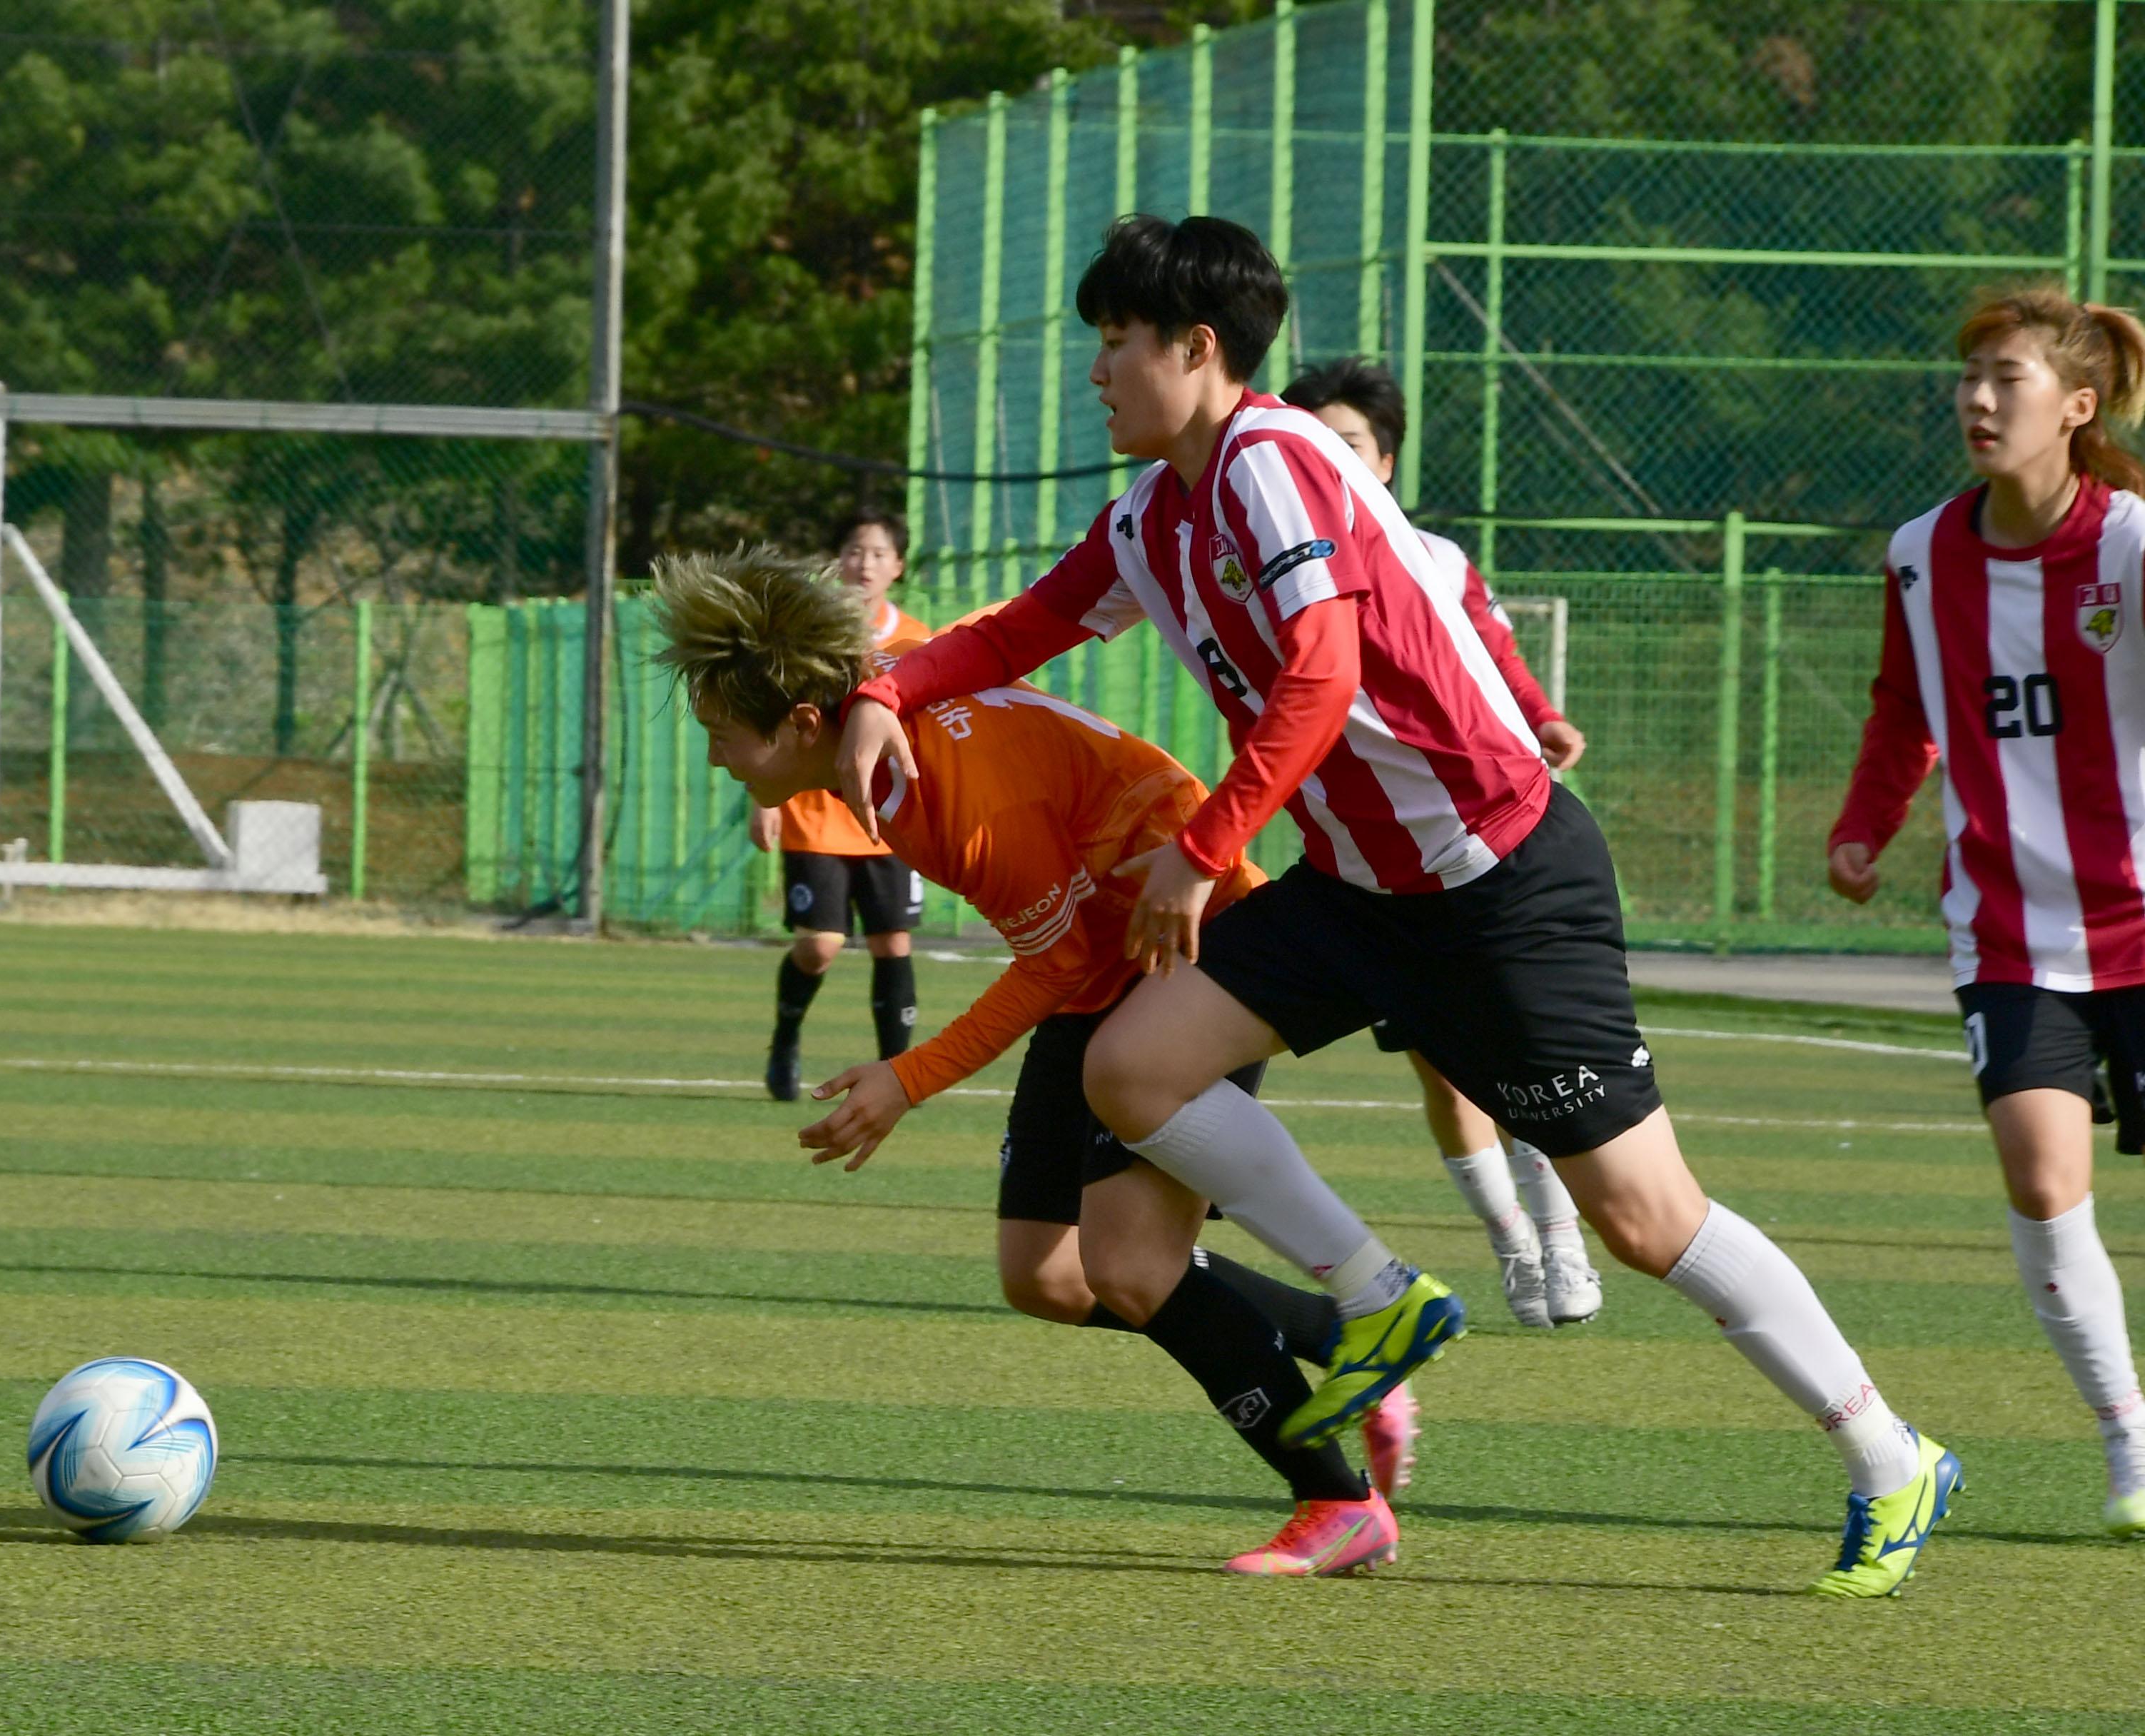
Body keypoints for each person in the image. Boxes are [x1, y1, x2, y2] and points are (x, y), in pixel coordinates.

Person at [834, 214, 1959, 1597]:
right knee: (1133, 1063)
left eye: (1115, 346)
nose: (1098, 375)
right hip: (1361, 894)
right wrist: (888, 688)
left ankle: (1889, 1452)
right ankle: (1380, 1297)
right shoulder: (1153, 513)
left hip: (1501, 890)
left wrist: (1203, 846)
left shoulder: (1273, 464)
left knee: (1647, 1220)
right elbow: (1023, 627)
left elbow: (1320, 674)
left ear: (1197, 349)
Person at [655, 545, 1415, 1575]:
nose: (716, 762)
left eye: (722, 739)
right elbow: (1063, 954)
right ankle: (1345, 1337)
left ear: (799, 724)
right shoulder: (884, 758)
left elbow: (1048, 961)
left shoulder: (956, 800)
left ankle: (1336, 1500)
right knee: (1046, 1274)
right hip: (1108, 961)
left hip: (1191, 948)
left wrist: (904, 1078)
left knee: (1131, 1269)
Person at [1829, 284, 2145, 1540]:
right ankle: (2128, 1440)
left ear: (2075, 407)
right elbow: (1899, 711)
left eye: (2003, 380)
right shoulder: (1920, 552)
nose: (1974, 398)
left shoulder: (2125, 545)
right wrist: (1865, 822)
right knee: (2036, 1170)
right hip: (2010, 929)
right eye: (1966, 378)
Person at [1279, 357, 1605, 1331]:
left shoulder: (1439, 561)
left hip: (1475, 843)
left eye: (1346, 445)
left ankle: (1564, 1238)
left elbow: (1494, 654)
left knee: (1515, 1053)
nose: (1324, 462)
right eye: (1308, 444)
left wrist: (1540, 717)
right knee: (1444, 1068)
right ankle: (1514, 1243)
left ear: (1384, 461)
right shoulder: (1278, 566)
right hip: (1373, 862)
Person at [750, 513, 929, 1101]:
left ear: (897, 567)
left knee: (893, 942)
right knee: (819, 946)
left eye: (879, 553)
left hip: (887, 817)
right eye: (855, 551)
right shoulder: (808, 635)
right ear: (838, 559)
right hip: (816, 812)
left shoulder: (916, 640)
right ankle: (785, 1038)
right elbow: (774, 720)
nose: (865, 563)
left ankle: (897, 1073)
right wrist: (764, 796)